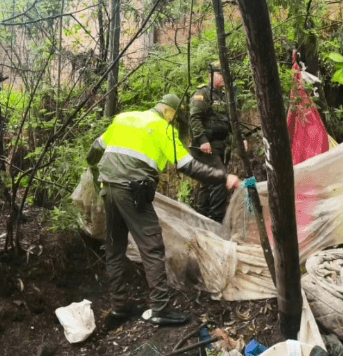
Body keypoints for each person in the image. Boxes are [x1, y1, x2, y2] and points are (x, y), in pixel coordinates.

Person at [87, 93, 241, 326]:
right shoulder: (163, 128)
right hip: (133, 192)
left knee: (115, 248)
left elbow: (94, 151)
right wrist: (223, 176)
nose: (174, 122)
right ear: (169, 112)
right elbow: (189, 167)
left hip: (109, 190)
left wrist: (97, 174)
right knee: (152, 247)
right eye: (175, 117)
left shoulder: (124, 119)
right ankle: (160, 308)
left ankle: (119, 307)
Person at [188, 61, 235, 222]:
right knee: (218, 180)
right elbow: (194, 117)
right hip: (206, 147)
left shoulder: (222, 96)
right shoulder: (203, 93)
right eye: (219, 73)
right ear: (210, 75)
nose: (222, 77)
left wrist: (238, 139)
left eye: (223, 73)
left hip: (218, 146)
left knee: (207, 184)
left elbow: (228, 121)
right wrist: (202, 140)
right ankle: (215, 221)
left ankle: (202, 219)